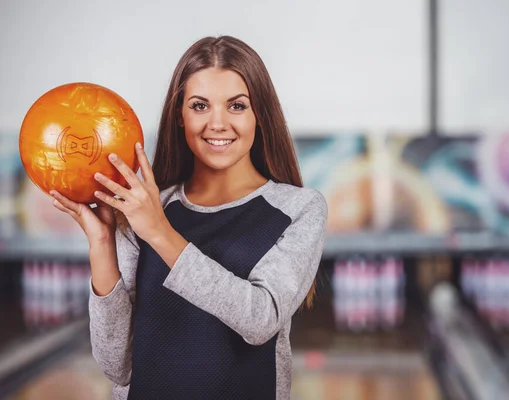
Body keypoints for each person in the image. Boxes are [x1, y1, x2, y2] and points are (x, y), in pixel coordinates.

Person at [50, 35, 328, 400]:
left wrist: (160, 233)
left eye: (237, 106)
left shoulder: (300, 208)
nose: (217, 123)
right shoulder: (148, 206)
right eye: (199, 106)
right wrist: (102, 242)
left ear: (260, 114)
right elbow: (117, 366)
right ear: (179, 115)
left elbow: (260, 320)